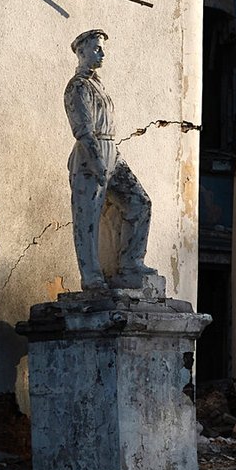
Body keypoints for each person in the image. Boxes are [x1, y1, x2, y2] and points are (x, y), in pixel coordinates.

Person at [65, 28, 152, 294]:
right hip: (89, 152)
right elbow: (82, 129)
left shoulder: (98, 85)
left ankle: (130, 264)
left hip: (112, 148)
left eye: (102, 48)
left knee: (139, 202)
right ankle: (91, 276)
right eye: (96, 48)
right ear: (81, 52)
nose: (102, 53)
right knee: (88, 216)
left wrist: (111, 157)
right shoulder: (77, 86)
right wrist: (96, 161)